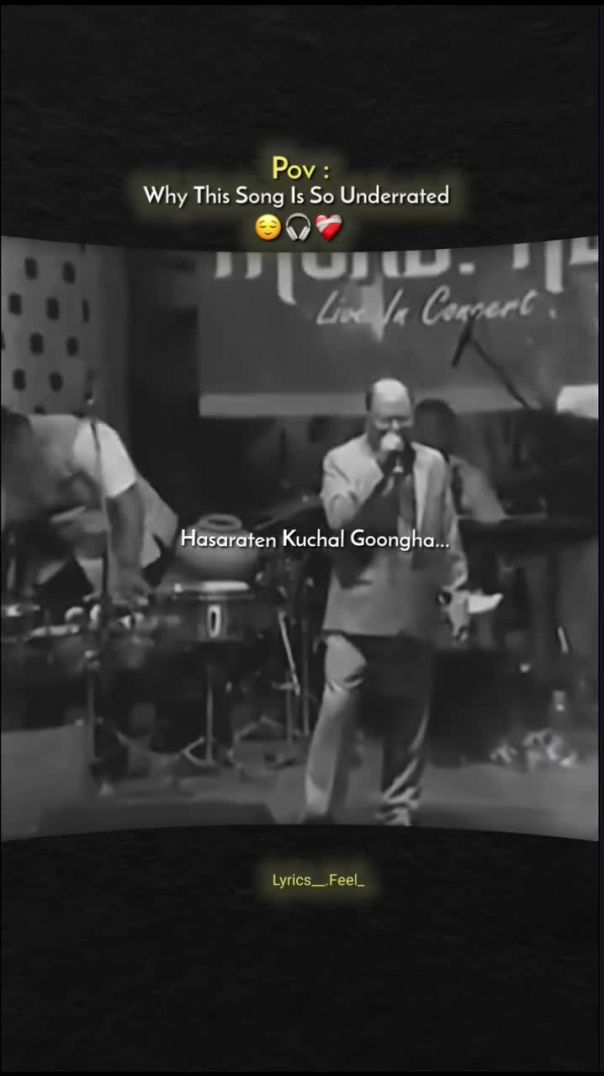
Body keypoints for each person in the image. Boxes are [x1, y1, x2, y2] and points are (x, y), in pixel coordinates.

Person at [304, 379, 469, 825]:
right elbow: (340, 521)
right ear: (368, 418)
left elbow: (447, 532)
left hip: (412, 602)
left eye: (402, 420)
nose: (395, 430)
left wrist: (457, 592)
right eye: (385, 421)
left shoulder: (432, 463)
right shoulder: (341, 461)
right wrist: (379, 468)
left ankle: (398, 813)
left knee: (408, 716)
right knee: (337, 708)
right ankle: (320, 813)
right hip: (355, 604)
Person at [1, 407, 178, 613]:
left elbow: (129, 504)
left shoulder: (86, 438)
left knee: (132, 611)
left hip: (144, 541)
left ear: (19, 434)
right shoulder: (13, 464)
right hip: (79, 553)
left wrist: (129, 568)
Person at [413, 399, 506, 524]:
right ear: (415, 431)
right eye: (425, 427)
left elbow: (494, 525)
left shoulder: (470, 478)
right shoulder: (399, 476)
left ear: (451, 431)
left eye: (439, 427)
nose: (432, 434)